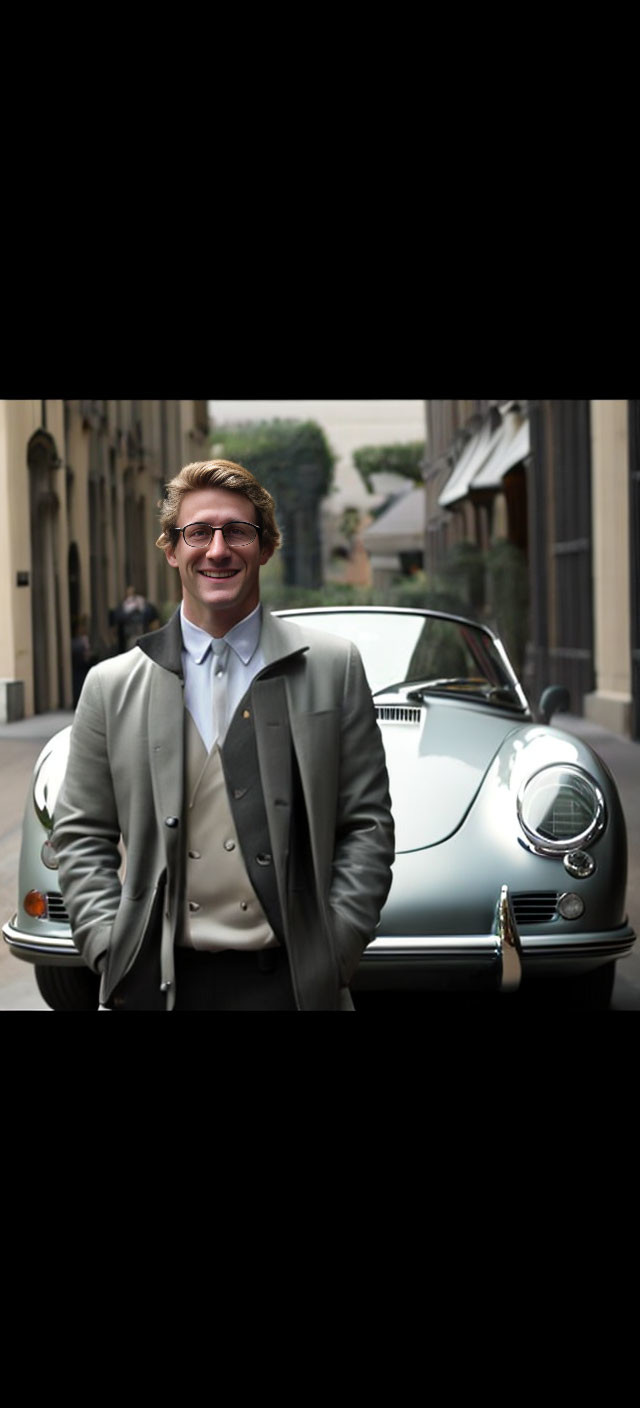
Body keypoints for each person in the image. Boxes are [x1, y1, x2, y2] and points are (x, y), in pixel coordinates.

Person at [52, 459, 395, 1010]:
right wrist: (107, 945)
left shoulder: (334, 667)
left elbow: (367, 825)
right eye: (198, 533)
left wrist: (335, 948)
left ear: (265, 547)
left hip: (292, 985)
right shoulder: (110, 685)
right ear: (171, 549)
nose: (217, 550)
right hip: (157, 986)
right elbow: (80, 835)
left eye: (237, 531)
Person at [111, 586, 159, 653]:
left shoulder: (144, 605)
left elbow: (151, 616)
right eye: (130, 594)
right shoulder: (122, 606)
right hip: (128, 635)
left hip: (141, 633)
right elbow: (118, 618)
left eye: (133, 594)